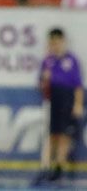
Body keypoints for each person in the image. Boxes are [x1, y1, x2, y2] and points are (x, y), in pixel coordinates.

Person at [37, 28, 83, 182]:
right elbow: (41, 86)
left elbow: (78, 85)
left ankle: (59, 168)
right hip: (52, 100)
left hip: (67, 100)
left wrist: (77, 104)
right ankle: (47, 167)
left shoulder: (72, 60)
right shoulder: (47, 61)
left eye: (57, 42)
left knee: (64, 136)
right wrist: (45, 79)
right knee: (52, 135)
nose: (55, 45)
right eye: (52, 43)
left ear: (63, 42)